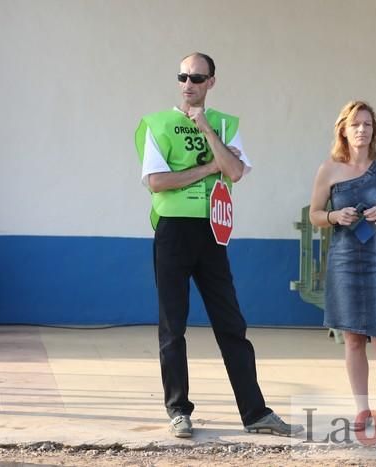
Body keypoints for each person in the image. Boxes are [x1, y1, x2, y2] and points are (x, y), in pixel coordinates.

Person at [134, 52, 303, 438]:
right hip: (173, 231)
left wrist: (208, 131)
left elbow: (238, 171)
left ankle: (255, 412)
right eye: (183, 76)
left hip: (213, 231)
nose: (188, 83)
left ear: (211, 82)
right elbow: (157, 181)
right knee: (172, 326)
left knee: (231, 324)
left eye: (197, 77)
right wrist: (212, 167)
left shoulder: (225, 125)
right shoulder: (157, 124)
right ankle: (178, 410)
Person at [308, 101, 376, 437]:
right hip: (344, 258)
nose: (362, 130)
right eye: (355, 124)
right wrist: (334, 217)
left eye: (367, 124)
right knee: (353, 339)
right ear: (343, 129)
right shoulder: (329, 169)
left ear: (374, 130)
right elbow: (314, 214)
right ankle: (361, 407)